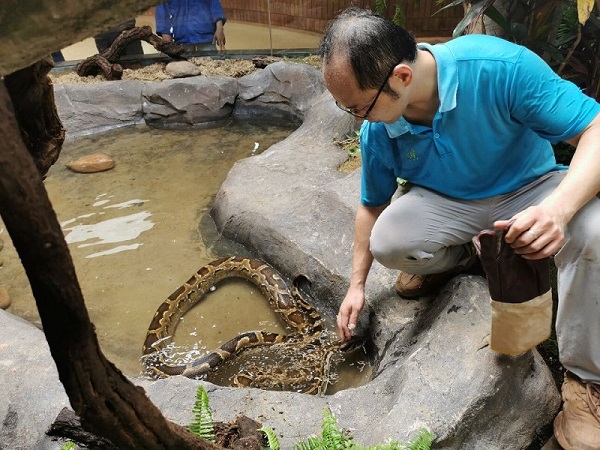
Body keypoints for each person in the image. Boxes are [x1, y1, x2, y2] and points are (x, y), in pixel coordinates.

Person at [319, 7, 600, 450]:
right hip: (447, 203)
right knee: (391, 241)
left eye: (360, 106)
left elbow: (597, 128)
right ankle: (469, 254)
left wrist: (559, 210)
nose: (357, 119)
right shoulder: (379, 127)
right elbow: (371, 207)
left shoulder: (499, 68)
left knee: (595, 231)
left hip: (531, 187)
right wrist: (356, 285)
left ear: (403, 77)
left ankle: (585, 383)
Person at [155, 0, 226, 53]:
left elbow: (214, 3)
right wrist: (165, 33)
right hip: (182, 40)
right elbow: (161, 7)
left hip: (206, 38)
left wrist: (219, 28)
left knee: (209, 68)